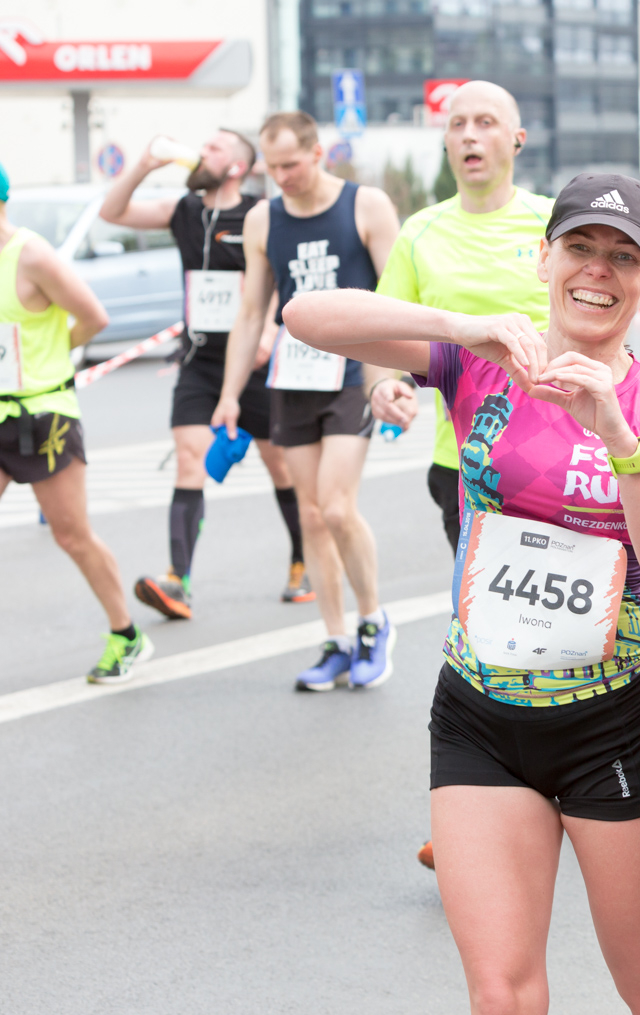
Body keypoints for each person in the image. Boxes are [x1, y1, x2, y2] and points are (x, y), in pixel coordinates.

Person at [282, 172, 640, 1015]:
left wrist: (616, 435)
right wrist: (456, 325)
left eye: (623, 257)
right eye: (580, 248)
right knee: (500, 998)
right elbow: (307, 321)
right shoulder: (482, 362)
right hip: (480, 715)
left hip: (616, 727)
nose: (598, 271)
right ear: (545, 257)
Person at [365, 80, 556, 871]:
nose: (470, 135)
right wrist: (385, 384)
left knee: (569, 626)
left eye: (487, 123)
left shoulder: (552, 221)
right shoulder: (420, 233)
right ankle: (472, 808)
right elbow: (385, 327)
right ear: (445, 144)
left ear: (517, 140)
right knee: (484, 631)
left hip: (562, 463)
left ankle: (569, 784)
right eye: (457, 125)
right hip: (467, 469)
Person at [213, 110, 401, 691]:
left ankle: (374, 622)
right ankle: (336, 638)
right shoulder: (263, 219)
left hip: (352, 374)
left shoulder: (365, 205)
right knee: (312, 516)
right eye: (271, 167)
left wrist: (391, 378)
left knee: (338, 508)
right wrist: (227, 396)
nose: (281, 176)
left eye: (290, 164)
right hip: (292, 381)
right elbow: (250, 313)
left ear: (318, 153)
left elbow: (398, 296)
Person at [97, 130, 310, 619]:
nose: (201, 152)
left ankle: (304, 559)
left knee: (279, 464)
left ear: (236, 166)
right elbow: (112, 212)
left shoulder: (261, 214)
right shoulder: (185, 210)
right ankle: (179, 582)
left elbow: (282, 274)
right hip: (199, 361)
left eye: (213, 148)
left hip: (253, 361)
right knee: (189, 460)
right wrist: (143, 166)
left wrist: (269, 330)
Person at [0, 160, 152, 682]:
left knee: (71, 535)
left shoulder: (31, 255)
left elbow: (94, 317)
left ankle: (126, 635)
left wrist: (47, 361)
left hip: (45, 414)